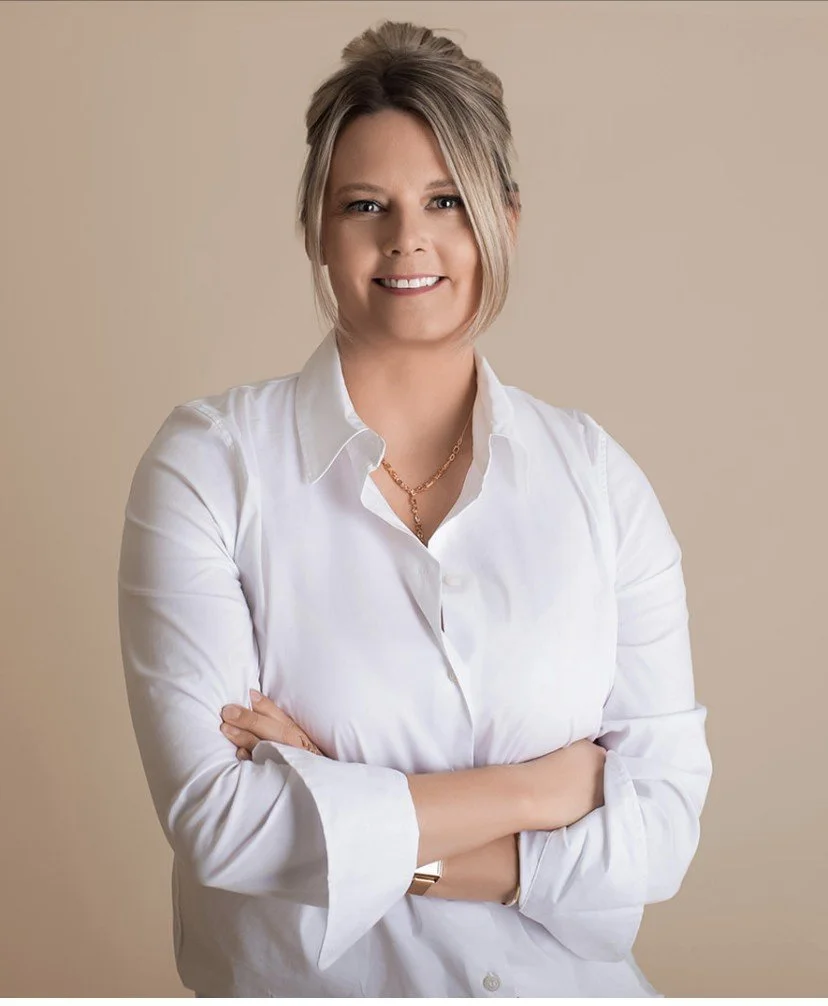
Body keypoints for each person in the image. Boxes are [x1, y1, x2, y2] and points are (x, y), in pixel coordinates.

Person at [117, 19, 712, 998]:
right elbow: (225, 822)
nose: (409, 240)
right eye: (366, 204)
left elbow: (660, 835)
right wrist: (537, 793)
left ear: (504, 220)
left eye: (446, 200)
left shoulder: (598, 480)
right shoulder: (210, 470)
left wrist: (353, 816)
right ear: (318, 225)